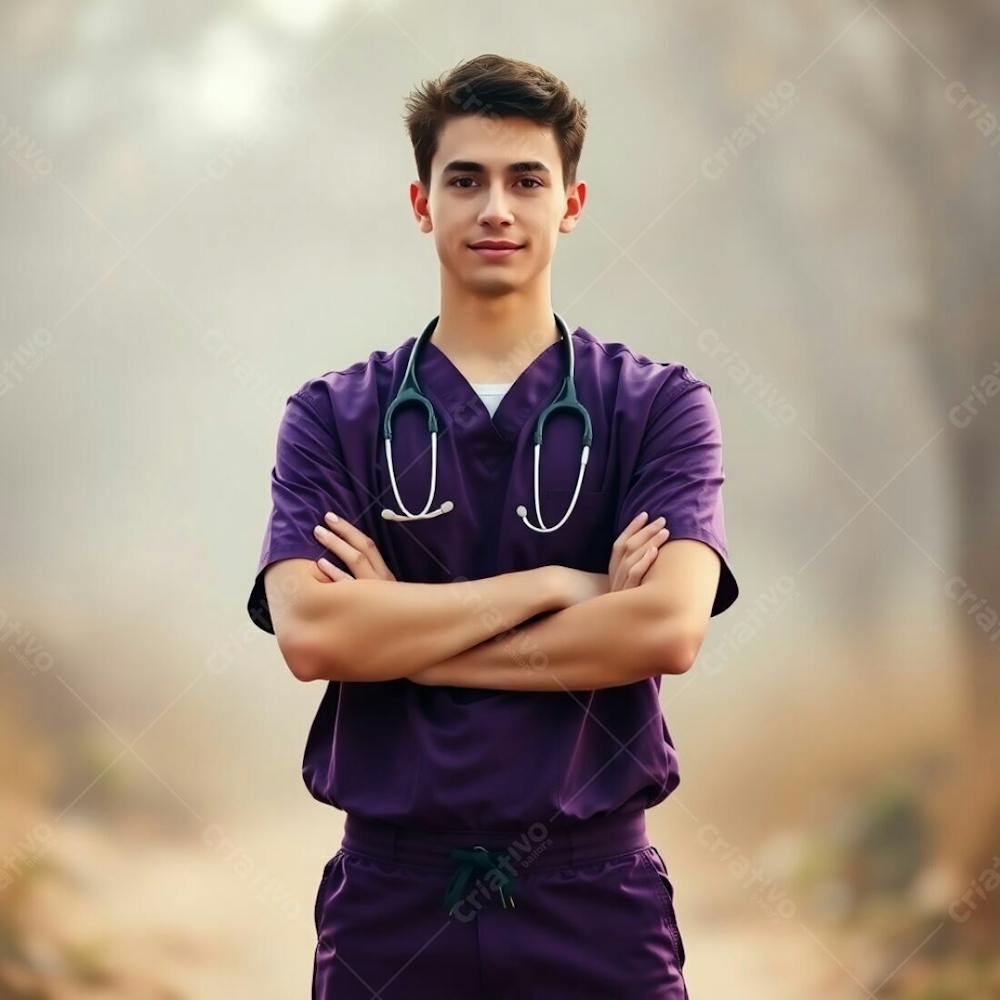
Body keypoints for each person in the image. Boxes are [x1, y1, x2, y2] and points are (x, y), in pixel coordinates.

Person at [247, 52, 738, 1000]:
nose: (496, 209)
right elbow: (312, 637)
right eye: (464, 179)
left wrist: (401, 635)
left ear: (574, 202)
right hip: (392, 907)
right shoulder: (332, 417)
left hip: (595, 900)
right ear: (422, 201)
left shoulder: (660, 407)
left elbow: (665, 630)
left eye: (527, 180)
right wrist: (557, 587)